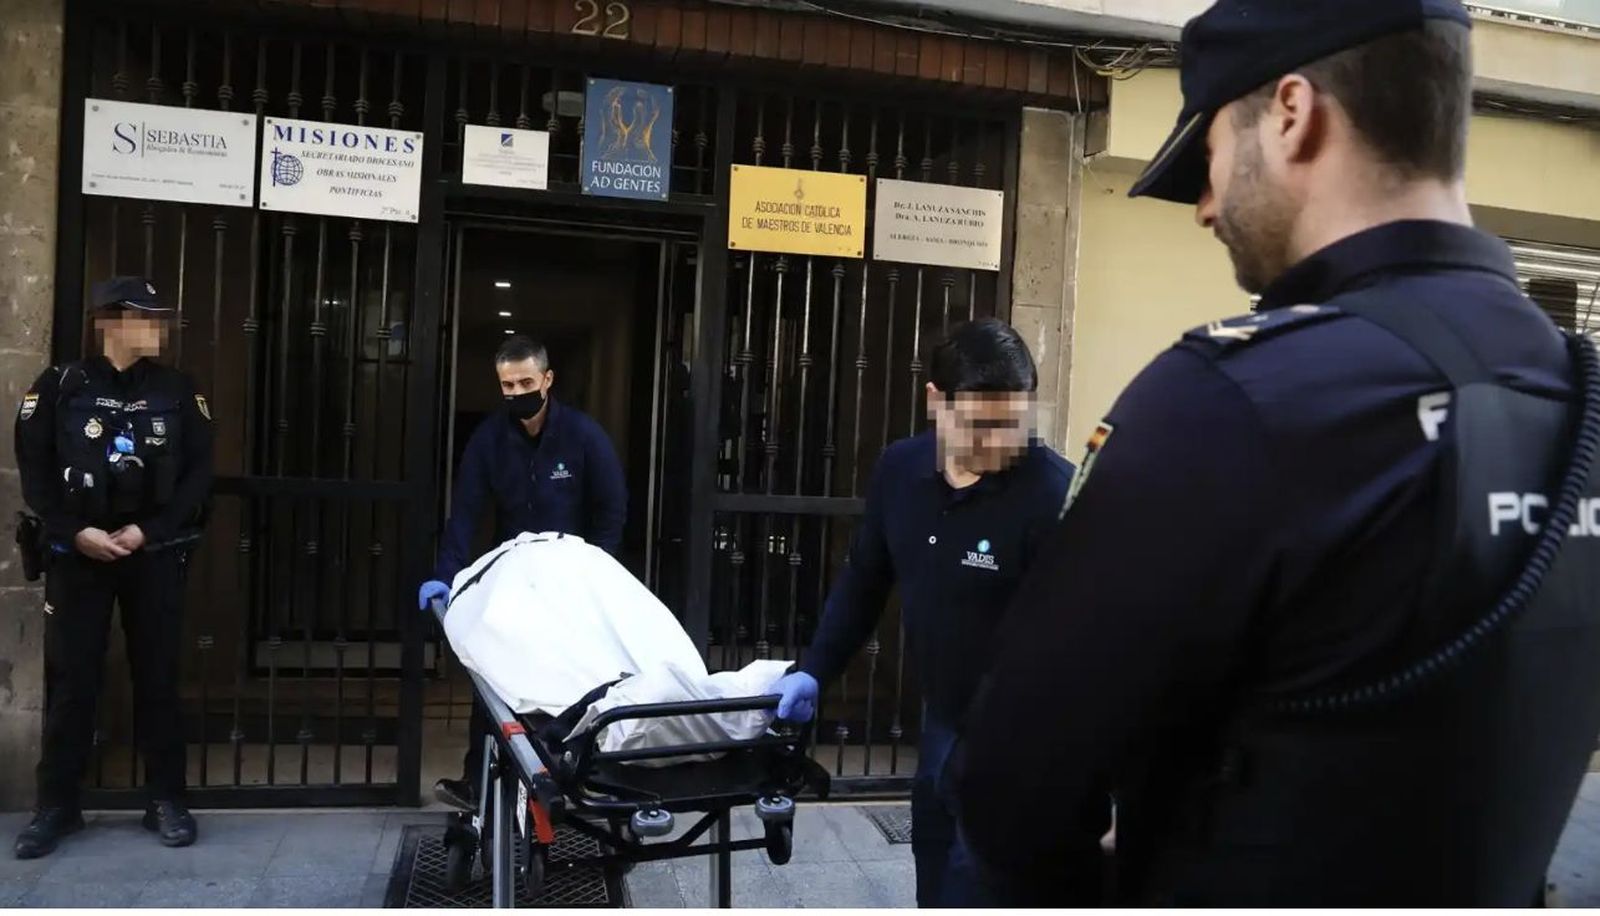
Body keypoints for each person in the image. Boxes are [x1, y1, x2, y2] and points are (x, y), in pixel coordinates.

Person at [955, 0, 1600, 906]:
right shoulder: (1577, 394)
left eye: (1211, 154)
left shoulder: (1233, 399)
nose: (1206, 206)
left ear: (1293, 114)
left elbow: (1011, 790)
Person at [770, 318, 1075, 907]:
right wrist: (815, 669)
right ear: (936, 402)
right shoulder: (900, 472)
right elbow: (864, 580)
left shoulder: (1054, 498)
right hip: (944, 722)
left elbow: (1098, 649)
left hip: (1027, 742)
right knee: (934, 875)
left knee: (983, 887)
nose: (1001, 442)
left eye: (1013, 423)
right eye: (981, 425)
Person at [12, 277, 214, 858]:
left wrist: (150, 530)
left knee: (158, 677)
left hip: (151, 554)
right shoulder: (60, 385)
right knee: (73, 679)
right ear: (112, 320)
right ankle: (57, 806)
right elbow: (35, 468)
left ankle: (166, 801)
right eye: (148, 316)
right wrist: (74, 532)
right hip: (79, 555)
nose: (161, 327)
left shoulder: (178, 390)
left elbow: (199, 473)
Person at [419, 335, 627, 809]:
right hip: (514, 574)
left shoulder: (583, 436)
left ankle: (580, 778)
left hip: (573, 576)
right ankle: (479, 783)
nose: (517, 392)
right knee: (492, 674)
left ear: (547, 380)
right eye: (507, 385)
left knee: (578, 678)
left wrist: (597, 574)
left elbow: (611, 509)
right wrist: (446, 575)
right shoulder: (489, 440)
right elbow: (466, 513)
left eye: (526, 382)